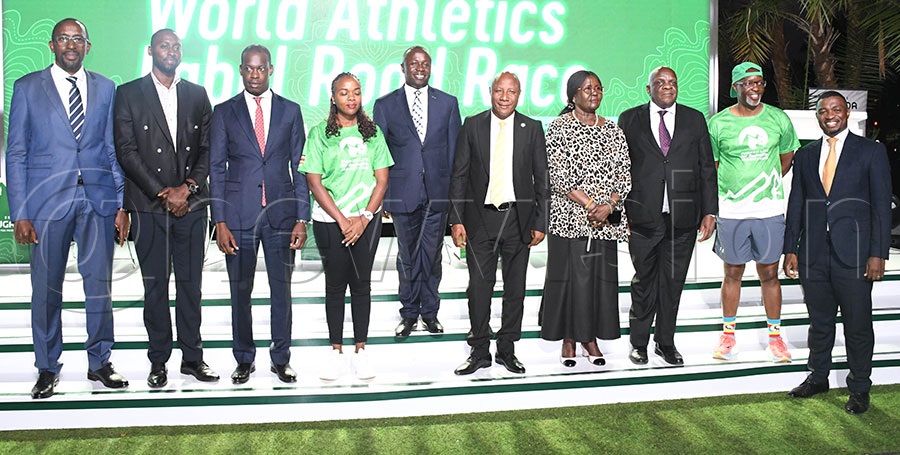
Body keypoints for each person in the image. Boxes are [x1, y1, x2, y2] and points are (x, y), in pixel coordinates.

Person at [6, 18, 130, 398]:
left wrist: (121, 203)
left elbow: (111, 148)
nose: (70, 45)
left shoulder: (106, 88)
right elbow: (17, 152)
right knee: (46, 291)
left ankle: (100, 362)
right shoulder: (27, 87)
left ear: (88, 46)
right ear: (52, 45)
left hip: (98, 200)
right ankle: (46, 367)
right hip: (47, 203)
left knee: (100, 288)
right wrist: (21, 212)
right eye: (63, 38)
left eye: (77, 39)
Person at [114, 29, 218, 388]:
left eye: (175, 46)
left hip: (191, 206)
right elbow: (126, 151)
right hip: (148, 206)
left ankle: (193, 358)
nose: (170, 51)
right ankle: (158, 361)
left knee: (191, 286)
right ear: (150, 51)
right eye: (164, 45)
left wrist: (187, 189)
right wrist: (164, 193)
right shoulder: (127, 93)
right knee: (155, 288)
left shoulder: (197, 94)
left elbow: (208, 149)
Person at [784, 91, 891, 415]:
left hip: (856, 254)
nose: (830, 115)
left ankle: (859, 387)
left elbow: (881, 207)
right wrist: (791, 248)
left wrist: (878, 254)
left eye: (836, 109)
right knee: (820, 322)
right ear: (818, 116)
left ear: (847, 112)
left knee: (858, 325)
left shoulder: (871, 152)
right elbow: (797, 203)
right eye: (823, 110)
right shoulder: (806, 155)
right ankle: (818, 377)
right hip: (814, 253)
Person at [209, 44, 309, 384]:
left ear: (270, 70)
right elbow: (216, 170)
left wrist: (301, 217)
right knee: (241, 290)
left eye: (261, 68)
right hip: (238, 217)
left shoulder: (291, 111)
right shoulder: (223, 112)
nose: (255, 74)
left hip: (282, 216)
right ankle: (244, 358)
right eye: (249, 68)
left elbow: (301, 167)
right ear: (240, 70)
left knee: (282, 290)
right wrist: (219, 221)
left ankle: (281, 358)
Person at [450, 72, 549, 375]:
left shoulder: (532, 128)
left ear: (519, 95)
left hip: (518, 220)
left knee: (515, 289)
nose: (505, 97)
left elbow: (541, 178)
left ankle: (507, 349)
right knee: (479, 287)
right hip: (480, 219)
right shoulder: (473, 124)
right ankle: (480, 350)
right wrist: (455, 219)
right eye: (499, 91)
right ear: (490, 92)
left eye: (512, 92)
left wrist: (541, 221)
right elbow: (459, 175)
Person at [618, 66, 718, 365]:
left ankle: (665, 342)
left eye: (672, 82)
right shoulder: (629, 119)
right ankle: (639, 344)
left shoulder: (694, 119)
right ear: (649, 89)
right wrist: (620, 213)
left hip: (683, 218)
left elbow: (705, 168)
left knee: (672, 284)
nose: (667, 87)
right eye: (660, 83)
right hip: (642, 217)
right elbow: (620, 169)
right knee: (644, 282)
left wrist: (710, 210)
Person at [300, 72, 394, 381]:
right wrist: (343, 221)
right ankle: (335, 352)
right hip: (330, 222)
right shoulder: (319, 134)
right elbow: (314, 181)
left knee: (362, 284)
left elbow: (382, 179)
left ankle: (361, 351)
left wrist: (364, 217)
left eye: (355, 92)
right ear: (333, 98)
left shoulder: (373, 134)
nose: (350, 98)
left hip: (366, 221)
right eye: (344, 93)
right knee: (335, 285)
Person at [707, 62, 799, 362]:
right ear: (735, 88)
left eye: (758, 83)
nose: (754, 89)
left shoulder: (778, 119)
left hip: (769, 210)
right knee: (733, 272)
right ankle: (728, 336)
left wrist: (763, 186)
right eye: (747, 83)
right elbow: (715, 167)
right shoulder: (718, 124)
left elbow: (786, 159)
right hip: (732, 210)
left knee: (769, 273)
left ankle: (775, 338)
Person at [540, 70, 631, 368]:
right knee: (570, 280)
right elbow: (558, 175)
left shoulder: (614, 130)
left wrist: (608, 207)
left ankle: (590, 337)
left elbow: (624, 175)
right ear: (573, 95)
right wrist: (592, 205)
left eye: (598, 88)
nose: (594, 93)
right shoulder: (558, 128)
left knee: (598, 282)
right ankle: (569, 337)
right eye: (587, 88)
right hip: (569, 219)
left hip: (606, 221)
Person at [373, 46, 462, 337]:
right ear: (403, 68)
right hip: (402, 193)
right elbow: (379, 154)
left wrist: (454, 200)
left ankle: (430, 313)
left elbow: (455, 155)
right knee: (407, 256)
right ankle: (409, 313)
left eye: (425, 63)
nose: (420, 68)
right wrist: (384, 195)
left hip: (437, 193)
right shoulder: (385, 105)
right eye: (414, 63)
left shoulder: (448, 103)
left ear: (431, 67)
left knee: (432, 255)